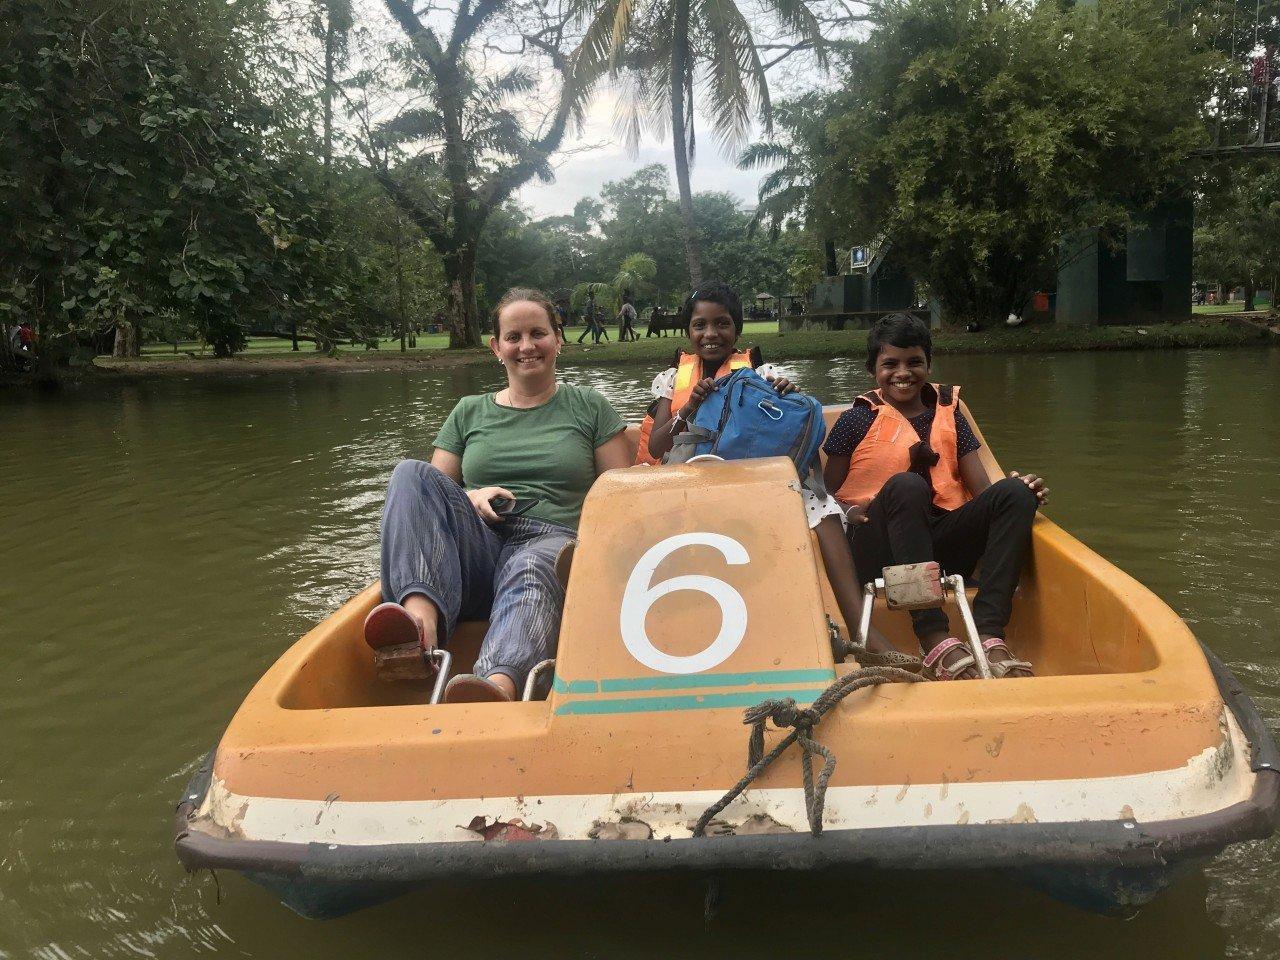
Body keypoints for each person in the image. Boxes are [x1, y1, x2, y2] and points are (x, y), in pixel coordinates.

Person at [366, 287, 632, 703]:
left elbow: (621, 498)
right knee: (408, 473)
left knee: (531, 565)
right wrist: (470, 496)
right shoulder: (468, 411)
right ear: (496, 347)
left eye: (538, 333)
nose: (526, 346)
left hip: (551, 538)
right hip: (480, 544)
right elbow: (430, 496)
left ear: (558, 339)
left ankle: (495, 687)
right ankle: (417, 632)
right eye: (514, 337)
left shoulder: (590, 408)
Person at [637, 281, 889, 652]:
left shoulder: (764, 373)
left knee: (825, 510)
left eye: (722, 324)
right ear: (688, 331)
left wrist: (787, 394)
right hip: (692, 482)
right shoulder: (673, 379)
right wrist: (689, 405)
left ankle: (862, 630)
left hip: (753, 481)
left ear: (736, 329)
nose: (711, 334)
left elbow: (795, 431)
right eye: (700, 325)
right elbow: (659, 446)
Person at [822, 313, 1047, 680]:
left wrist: (1018, 491)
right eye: (890, 364)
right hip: (880, 547)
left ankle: (989, 633)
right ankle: (934, 636)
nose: (903, 372)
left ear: (928, 363)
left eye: (914, 362)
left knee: (1016, 494)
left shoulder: (950, 414)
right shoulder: (855, 420)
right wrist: (849, 510)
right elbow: (825, 495)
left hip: (940, 543)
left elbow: (983, 491)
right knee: (907, 486)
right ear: (872, 369)